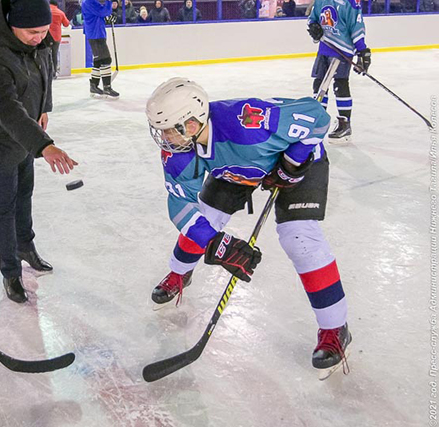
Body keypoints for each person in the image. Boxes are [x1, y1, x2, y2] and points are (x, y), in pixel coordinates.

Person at [146, 76, 350, 375]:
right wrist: (215, 242)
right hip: (235, 168)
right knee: (205, 219)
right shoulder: (179, 151)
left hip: (293, 163)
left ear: (191, 124)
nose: (164, 139)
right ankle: (179, 274)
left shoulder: (250, 122)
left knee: (299, 239)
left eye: (168, 131)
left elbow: (317, 116)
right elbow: (180, 204)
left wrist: (291, 164)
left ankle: (335, 329)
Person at [0, 0, 77, 304]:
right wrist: (44, 145)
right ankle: (10, 271)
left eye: (44, 31)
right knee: (4, 203)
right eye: (33, 32)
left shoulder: (38, 40)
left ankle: (25, 245)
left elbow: (45, 73)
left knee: (25, 193)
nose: (39, 37)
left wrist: (44, 108)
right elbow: (3, 107)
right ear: (11, 24)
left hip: (28, 132)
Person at [307, 0, 370, 140]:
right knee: (318, 84)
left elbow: (356, 26)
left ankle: (344, 124)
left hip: (342, 51)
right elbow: (312, 18)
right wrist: (313, 27)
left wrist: (362, 51)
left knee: (340, 85)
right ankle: (319, 120)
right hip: (324, 48)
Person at [81, 0, 118, 98]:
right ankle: (107, 87)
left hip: (95, 33)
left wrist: (105, 19)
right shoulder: (90, 1)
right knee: (106, 60)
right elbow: (104, 12)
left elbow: (100, 15)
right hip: (96, 35)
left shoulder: (89, 0)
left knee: (98, 60)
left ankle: (94, 85)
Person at [48, 0, 70, 77]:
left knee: (45, 54)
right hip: (56, 37)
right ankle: (54, 73)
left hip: (46, 37)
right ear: (56, 5)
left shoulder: (45, 11)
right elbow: (66, 24)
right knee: (54, 54)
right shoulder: (60, 13)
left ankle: (47, 73)